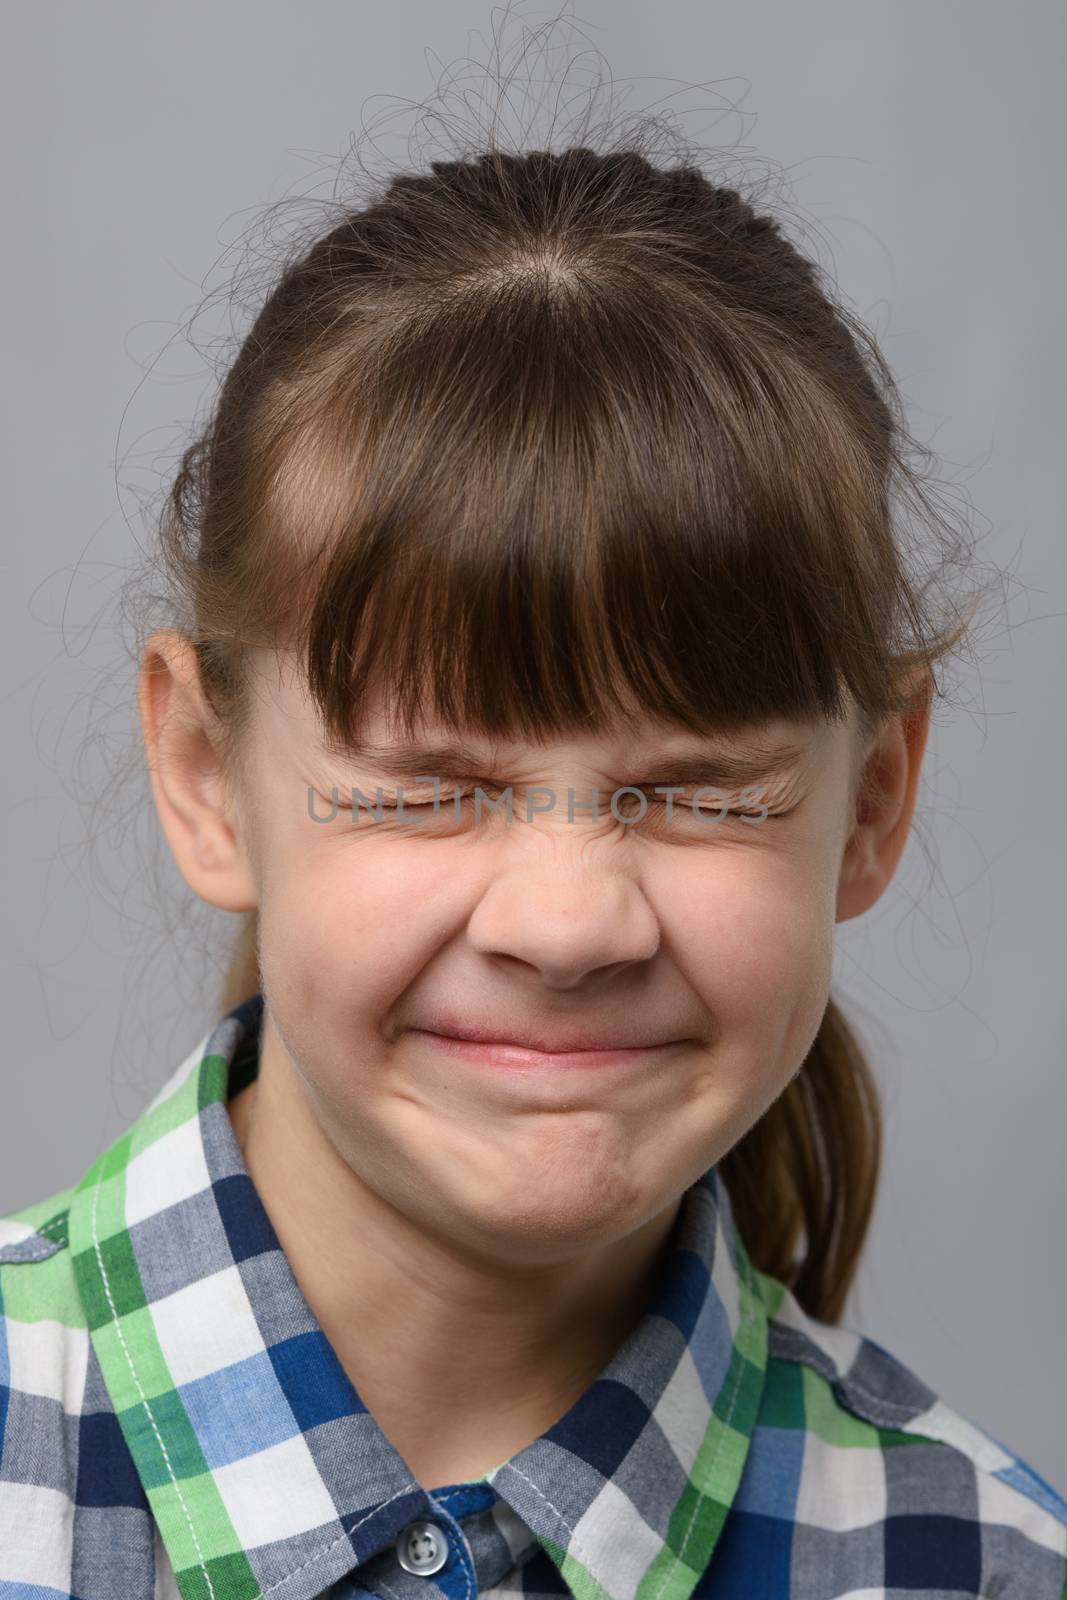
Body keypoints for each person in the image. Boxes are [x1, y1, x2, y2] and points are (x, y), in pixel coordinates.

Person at [1, 140, 1064, 1600]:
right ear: (205, 776)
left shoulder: (982, 1569)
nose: (569, 926)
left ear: (874, 801)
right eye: (431, 787)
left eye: (702, 793)